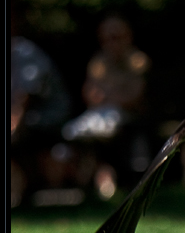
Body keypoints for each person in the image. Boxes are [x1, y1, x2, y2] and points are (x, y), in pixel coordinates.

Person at [62, 16, 152, 196]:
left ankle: (109, 179)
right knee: (74, 133)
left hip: (130, 118)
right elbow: (90, 94)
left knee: (105, 131)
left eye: (116, 37)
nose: (112, 42)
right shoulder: (98, 62)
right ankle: (93, 180)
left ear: (127, 36)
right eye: (107, 37)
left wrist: (108, 96)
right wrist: (110, 96)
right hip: (100, 115)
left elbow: (134, 98)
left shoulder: (137, 61)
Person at [10, 34, 72, 206]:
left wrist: (13, 128)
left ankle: (23, 192)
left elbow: (23, 99)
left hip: (49, 119)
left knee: (15, 140)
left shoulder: (25, 53)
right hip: (27, 120)